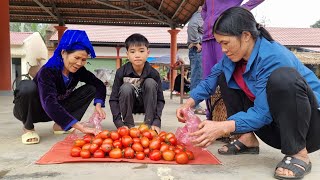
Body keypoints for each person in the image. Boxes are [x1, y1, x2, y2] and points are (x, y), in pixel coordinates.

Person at [177, 7, 320, 180]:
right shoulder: (233, 57)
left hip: (309, 128)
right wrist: (189, 103)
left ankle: (299, 154)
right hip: (274, 127)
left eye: (225, 42)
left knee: (284, 78)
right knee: (225, 75)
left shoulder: (273, 56)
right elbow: (211, 79)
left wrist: (222, 126)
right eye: (219, 43)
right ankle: (247, 139)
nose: (222, 49)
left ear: (246, 36)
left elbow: (262, 112)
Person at [13, 30, 107, 145]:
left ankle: (60, 125)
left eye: (83, 60)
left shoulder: (79, 71)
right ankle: (28, 128)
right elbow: (49, 103)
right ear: (63, 53)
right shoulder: (48, 71)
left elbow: (99, 84)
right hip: (32, 110)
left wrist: (98, 104)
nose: (79, 63)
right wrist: (81, 127)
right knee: (27, 87)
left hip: (55, 112)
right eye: (76, 57)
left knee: (91, 88)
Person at [201, 0, 264, 119]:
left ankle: (232, 118)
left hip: (229, 33)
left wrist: (245, 8)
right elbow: (204, 9)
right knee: (208, 76)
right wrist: (208, 21)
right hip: (208, 37)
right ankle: (211, 114)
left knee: (228, 75)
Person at [109, 33, 165, 134]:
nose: (137, 55)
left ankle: (148, 126)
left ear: (148, 53)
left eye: (141, 51)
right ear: (127, 54)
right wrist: (119, 123)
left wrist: (157, 121)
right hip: (128, 105)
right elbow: (114, 99)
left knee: (150, 82)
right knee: (126, 87)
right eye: (133, 51)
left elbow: (160, 100)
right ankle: (128, 125)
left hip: (147, 106)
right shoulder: (121, 72)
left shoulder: (153, 73)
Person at [187, 5, 206, 115]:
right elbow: (192, 26)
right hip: (198, 50)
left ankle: (195, 103)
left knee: (199, 76)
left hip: (199, 50)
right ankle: (194, 105)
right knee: (197, 77)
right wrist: (196, 43)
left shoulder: (200, 15)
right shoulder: (199, 15)